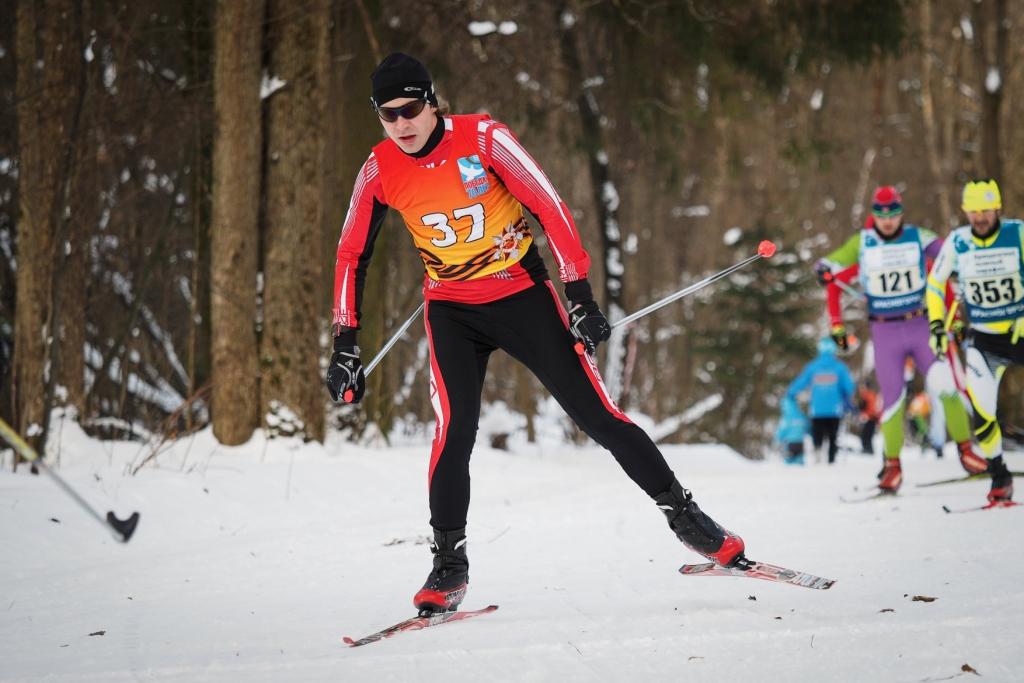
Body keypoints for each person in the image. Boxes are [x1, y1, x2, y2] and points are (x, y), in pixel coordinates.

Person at [326, 53, 746, 615]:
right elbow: (352, 253)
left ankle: (690, 519)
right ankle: (449, 564)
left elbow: (549, 207)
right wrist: (344, 345)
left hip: (521, 296)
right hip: (451, 309)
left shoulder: (484, 139)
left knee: (599, 417)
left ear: (432, 101)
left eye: (410, 108)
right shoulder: (379, 170)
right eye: (387, 113)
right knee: (453, 432)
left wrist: (580, 296)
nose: (400, 123)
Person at [814, 186, 986, 492]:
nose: (888, 220)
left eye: (893, 213)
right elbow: (834, 265)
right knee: (892, 401)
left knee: (946, 386)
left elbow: (949, 253)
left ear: (900, 212)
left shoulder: (917, 236)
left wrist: (973, 259)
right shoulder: (863, 242)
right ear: (873, 215)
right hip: (885, 332)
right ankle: (892, 466)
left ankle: (967, 452)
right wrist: (827, 278)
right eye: (881, 214)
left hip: (920, 325)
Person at [925, 179, 1024, 502]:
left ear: (997, 208)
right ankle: (999, 476)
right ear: (965, 212)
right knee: (983, 414)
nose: (980, 217)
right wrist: (937, 326)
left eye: (986, 210)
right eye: (974, 211)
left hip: (1020, 330)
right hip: (984, 339)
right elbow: (935, 284)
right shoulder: (958, 242)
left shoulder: (1017, 233)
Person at [785, 337, 855, 464]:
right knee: (833, 436)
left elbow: (801, 382)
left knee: (817, 433)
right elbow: (849, 386)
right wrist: (846, 398)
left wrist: (790, 393)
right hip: (835, 409)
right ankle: (831, 459)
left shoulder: (813, 367)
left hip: (817, 408)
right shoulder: (840, 367)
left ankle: (818, 452)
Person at [775, 396, 810, 465]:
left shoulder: (786, 418)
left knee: (789, 461)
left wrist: (778, 438)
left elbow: (782, 430)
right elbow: (807, 427)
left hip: (790, 443)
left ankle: (789, 473)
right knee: (799, 461)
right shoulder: (801, 416)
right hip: (800, 443)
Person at [855, 379, 881, 455]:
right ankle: (868, 449)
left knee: (865, 434)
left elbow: (863, 406)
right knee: (868, 434)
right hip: (873, 417)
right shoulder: (873, 394)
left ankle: (867, 449)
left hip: (869, 417)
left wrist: (858, 406)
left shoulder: (866, 395)